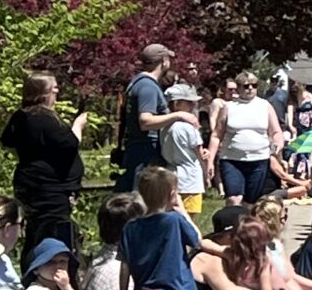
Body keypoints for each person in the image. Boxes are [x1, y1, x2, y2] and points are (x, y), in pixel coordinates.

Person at [0, 72, 88, 257]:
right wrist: (78, 126)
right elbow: (70, 144)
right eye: (54, 88)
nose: (57, 92)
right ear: (42, 93)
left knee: (35, 232)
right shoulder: (45, 119)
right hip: (48, 190)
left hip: (31, 185)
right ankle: (50, 272)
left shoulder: (21, 116)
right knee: (52, 235)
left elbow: (7, 140)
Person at [210, 70, 284, 204]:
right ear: (238, 88)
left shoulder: (265, 106)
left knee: (252, 201)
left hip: (259, 160)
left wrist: (278, 142)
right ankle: (233, 222)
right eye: (246, 86)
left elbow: (276, 131)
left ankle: (247, 224)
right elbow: (216, 135)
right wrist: (209, 162)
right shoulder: (228, 107)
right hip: (232, 160)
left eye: (254, 85)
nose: (250, 88)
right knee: (234, 198)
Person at [115, 44, 177, 191]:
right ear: (164, 60)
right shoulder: (147, 87)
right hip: (145, 151)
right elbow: (145, 121)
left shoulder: (138, 83)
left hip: (139, 149)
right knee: (144, 199)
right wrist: (178, 115)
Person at [160, 84, 208, 218]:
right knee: (188, 219)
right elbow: (199, 153)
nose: (192, 106)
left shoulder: (164, 127)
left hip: (172, 174)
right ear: (177, 104)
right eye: (189, 103)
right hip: (191, 178)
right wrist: (206, 174)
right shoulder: (187, 127)